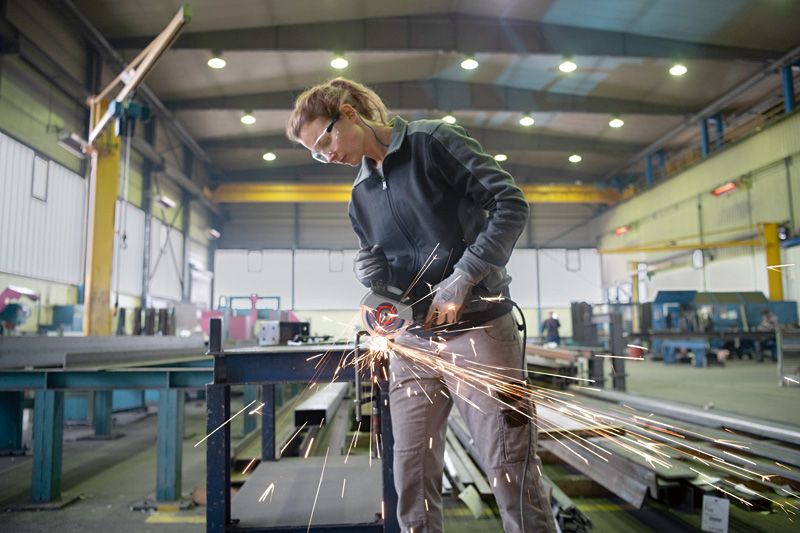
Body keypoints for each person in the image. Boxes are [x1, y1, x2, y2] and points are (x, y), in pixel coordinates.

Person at [287, 78, 555, 533]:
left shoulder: (434, 143)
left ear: (350, 113)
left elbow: (509, 203)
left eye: (325, 138)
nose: (326, 154)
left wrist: (464, 277)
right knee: (409, 475)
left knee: (509, 470)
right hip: (413, 344)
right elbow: (387, 268)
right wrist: (375, 277)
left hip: (479, 331)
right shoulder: (360, 196)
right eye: (315, 152)